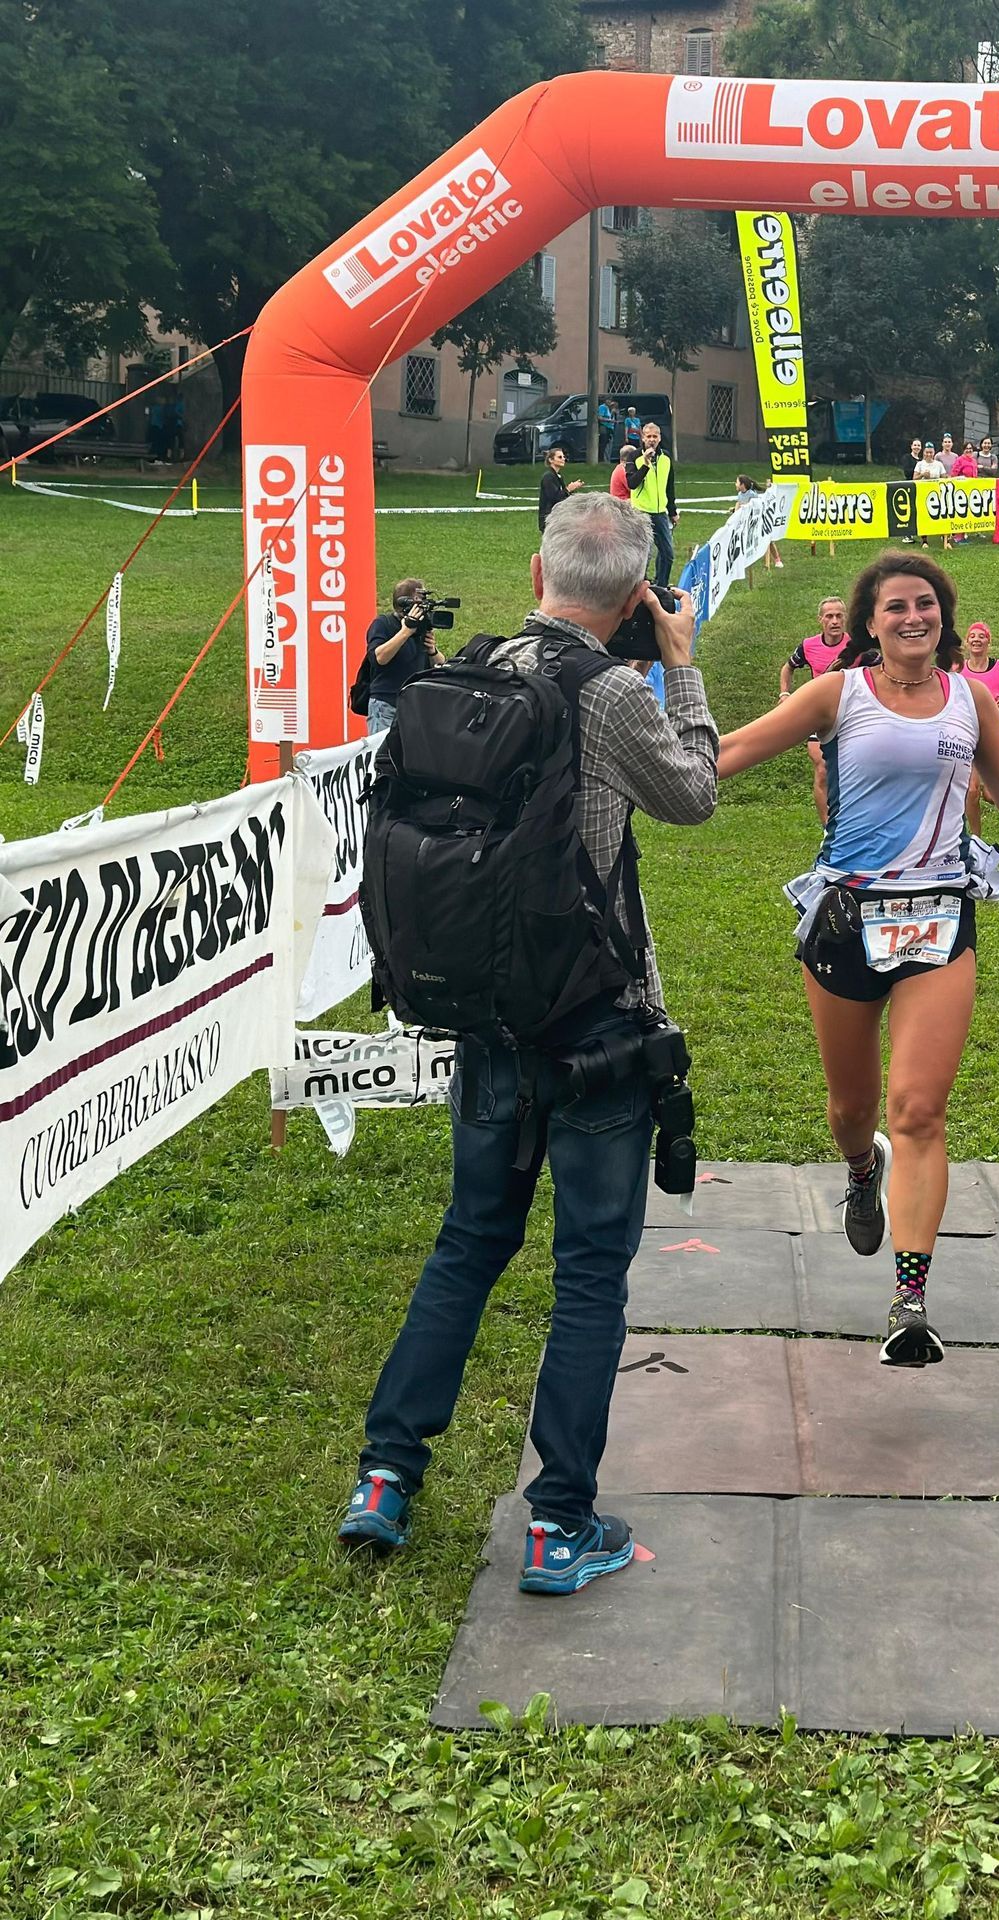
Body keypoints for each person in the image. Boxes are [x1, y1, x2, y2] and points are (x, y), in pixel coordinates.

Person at [339, 493, 717, 1594]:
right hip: (596, 1020)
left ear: (534, 568)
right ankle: (559, 1523)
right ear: (638, 594)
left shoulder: (470, 664)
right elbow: (692, 793)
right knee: (590, 1271)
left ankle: (385, 1476)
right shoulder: (608, 692)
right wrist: (680, 666)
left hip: (486, 1013)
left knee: (469, 1242)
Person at [716, 551, 999, 1367]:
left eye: (925, 604)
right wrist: (628, 770)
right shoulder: (838, 694)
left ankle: (910, 1297)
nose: (912, 618)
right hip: (845, 922)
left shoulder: (973, 699)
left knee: (919, 1110)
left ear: (945, 617)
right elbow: (733, 751)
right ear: (869, 624)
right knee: (851, 1112)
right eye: (895, 607)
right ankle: (862, 1172)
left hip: (939, 917)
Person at [779, 594, 855, 822]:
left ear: (845, 619)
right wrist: (784, 693)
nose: (835, 621)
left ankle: (852, 819)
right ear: (820, 619)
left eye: (839, 616)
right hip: (819, 714)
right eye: (829, 616)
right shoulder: (808, 646)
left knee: (853, 771)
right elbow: (788, 667)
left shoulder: (856, 646)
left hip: (850, 713)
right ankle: (827, 827)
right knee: (822, 768)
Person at [959, 620, 999, 835]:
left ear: (988, 642)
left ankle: (994, 793)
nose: (976, 639)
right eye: (972, 636)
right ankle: (976, 838)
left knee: (993, 795)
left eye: (981, 636)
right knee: (971, 790)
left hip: (994, 731)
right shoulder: (958, 669)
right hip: (966, 731)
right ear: (967, 642)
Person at [362, 576, 440, 736]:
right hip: (386, 703)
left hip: (413, 704)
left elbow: (439, 664)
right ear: (405, 603)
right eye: (419, 602)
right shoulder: (383, 624)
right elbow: (379, 658)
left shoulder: (421, 627)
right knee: (383, 756)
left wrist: (433, 650)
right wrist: (406, 631)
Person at [623, 421, 678, 589]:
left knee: (667, 553)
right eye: (648, 436)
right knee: (643, 554)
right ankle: (639, 586)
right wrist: (646, 464)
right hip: (641, 511)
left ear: (660, 438)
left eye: (655, 436)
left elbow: (669, 486)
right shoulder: (634, 457)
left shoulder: (666, 458)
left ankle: (660, 586)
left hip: (660, 511)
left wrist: (672, 511)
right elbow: (632, 483)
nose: (652, 440)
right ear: (642, 438)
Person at [736, 472, 783, 568]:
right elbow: (739, 503)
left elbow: (756, 507)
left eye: (737, 482)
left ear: (742, 485)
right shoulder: (740, 494)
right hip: (746, 522)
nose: (735, 484)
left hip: (758, 521)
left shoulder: (752, 495)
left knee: (768, 540)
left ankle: (777, 560)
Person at [538, 446, 583, 531]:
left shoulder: (558, 476)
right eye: (559, 457)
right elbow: (554, 498)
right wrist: (568, 489)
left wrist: (571, 489)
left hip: (557, 517)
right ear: (551, 460)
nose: (563, 459)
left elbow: (562, 497)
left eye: (563, 457)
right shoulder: (548, 477)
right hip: (549, 519)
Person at [597, 397, 617, 463]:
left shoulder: (609, 408)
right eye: (608, 400)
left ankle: (607, 459)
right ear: (605, 400)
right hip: (604, 427)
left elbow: (610, 417)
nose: (609, 402)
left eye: (610, 400)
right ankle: (601, 459)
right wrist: (610, 420)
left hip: (609, 428)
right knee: (603, 443)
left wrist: (612, 414)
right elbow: (600, 418)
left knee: (607, 444)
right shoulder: (602, 407)